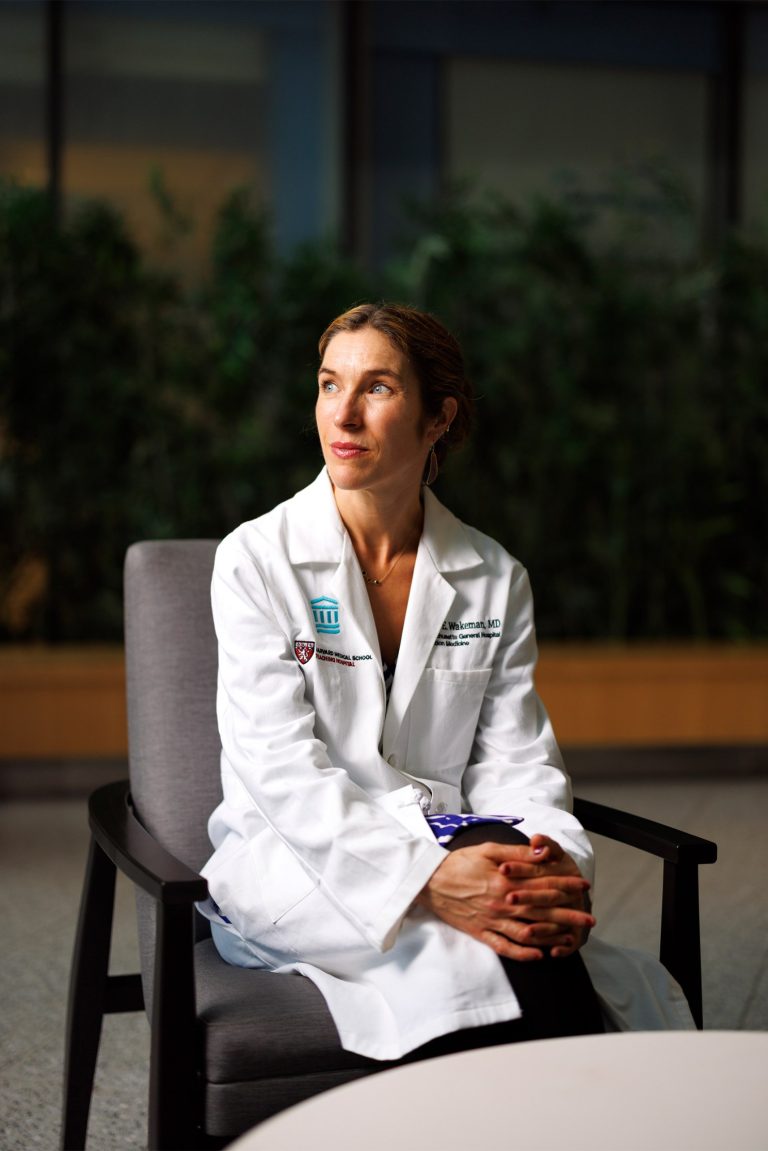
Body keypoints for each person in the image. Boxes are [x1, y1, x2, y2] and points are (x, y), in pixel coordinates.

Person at [198, 302, 694, 1061]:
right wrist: (428, 880)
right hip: (303, 864)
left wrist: (547, 861)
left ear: (438, 418)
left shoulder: (492, 575)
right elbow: (281, 774)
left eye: (378, 387)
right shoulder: (255, 560)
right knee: (505, 964)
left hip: (461, 848)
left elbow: (518, 763)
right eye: (330, 384)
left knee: (526, 936)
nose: (344, 413)